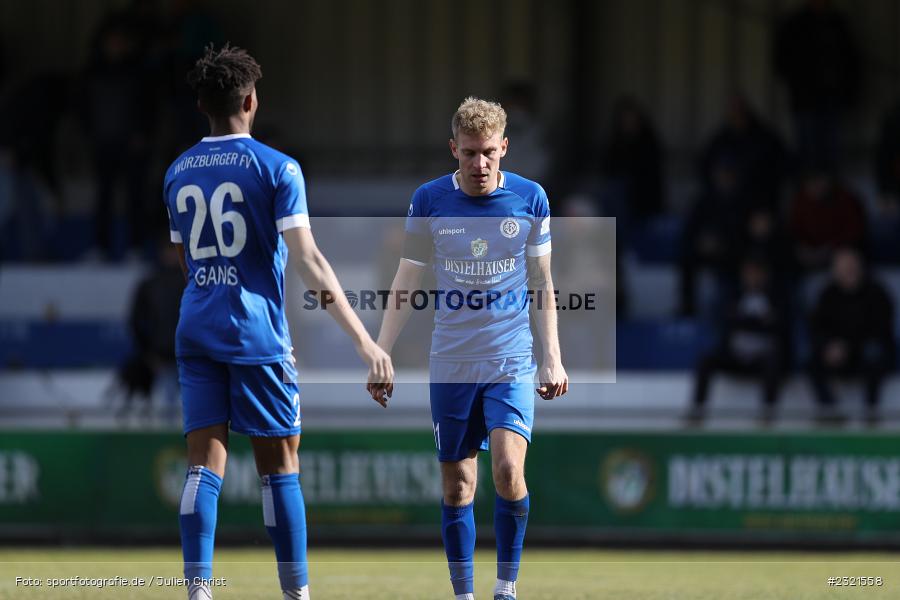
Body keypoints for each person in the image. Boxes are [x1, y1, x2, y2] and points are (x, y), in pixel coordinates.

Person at [163, 44, 392, 600]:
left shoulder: (176, 170)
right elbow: (309, 260)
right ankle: (296, 594)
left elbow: (183, 259)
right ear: (251, 99)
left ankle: (197, 592)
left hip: (196, 328)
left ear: (202, 105)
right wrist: (366, 343)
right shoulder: (277, 168)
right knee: (280, 463)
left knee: (203, 466)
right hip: (254, 332)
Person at [370, 97, 568, 600]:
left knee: (506, 470)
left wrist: (553, 356)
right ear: (453, 149)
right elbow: (407, 279)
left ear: (504, 147)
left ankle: (506, 588)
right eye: (469, 154)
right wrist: (381, 349)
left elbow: (543, 282)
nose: (479, 165)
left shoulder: (531, 199)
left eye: (488, 154)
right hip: (453, 362)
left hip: (510, 359)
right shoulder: (430, 201)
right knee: (458, 486)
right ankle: (464, 595)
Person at [686, 257, 789, 425]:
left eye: (756, 273)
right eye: (748, 273)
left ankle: (767, 415)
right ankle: (697, 413)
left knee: (774, 361)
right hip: (736, 355)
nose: (752, 277)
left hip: (762, 358)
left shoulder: (777, 296)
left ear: (764, 275)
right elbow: (728, 321)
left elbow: (779, 326)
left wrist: (745, 321)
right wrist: (759, 321)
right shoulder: (734, 294)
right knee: (706, 359)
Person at [807, 248, 896, 424]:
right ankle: (830, 412)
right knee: (811, 363)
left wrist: (848, 346)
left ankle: (871, 414)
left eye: (851, 266)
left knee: (873, 354)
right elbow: (817, 327)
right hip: (837, 354)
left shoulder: (876, 291)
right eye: (843, 267)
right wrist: (828, 346)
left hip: (867, 351)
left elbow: (881, 330)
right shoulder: (828, 293)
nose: (848, 270)